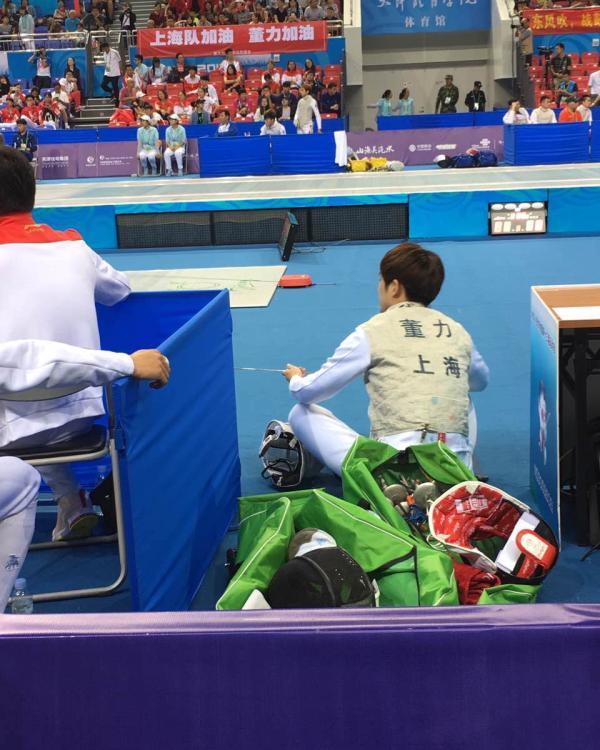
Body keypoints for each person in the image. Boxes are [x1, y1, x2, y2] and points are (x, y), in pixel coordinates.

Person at [0, 147, 136, 541]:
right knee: (30, 408)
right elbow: (121, 290)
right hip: (80, 416)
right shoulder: (74, 245)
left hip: (10, 423)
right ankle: (72, 502)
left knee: (19, 406)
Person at [283, 243, 489, 477]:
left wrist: (296, 378)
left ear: (394, 287)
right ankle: (458, 465)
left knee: (299, 413)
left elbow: (307, 392)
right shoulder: (456, 330)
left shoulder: (371, 331)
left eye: (381, 280)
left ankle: (384, 480)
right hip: (455, 469)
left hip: (392, 471)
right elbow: (480, 381)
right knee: (463, 392)